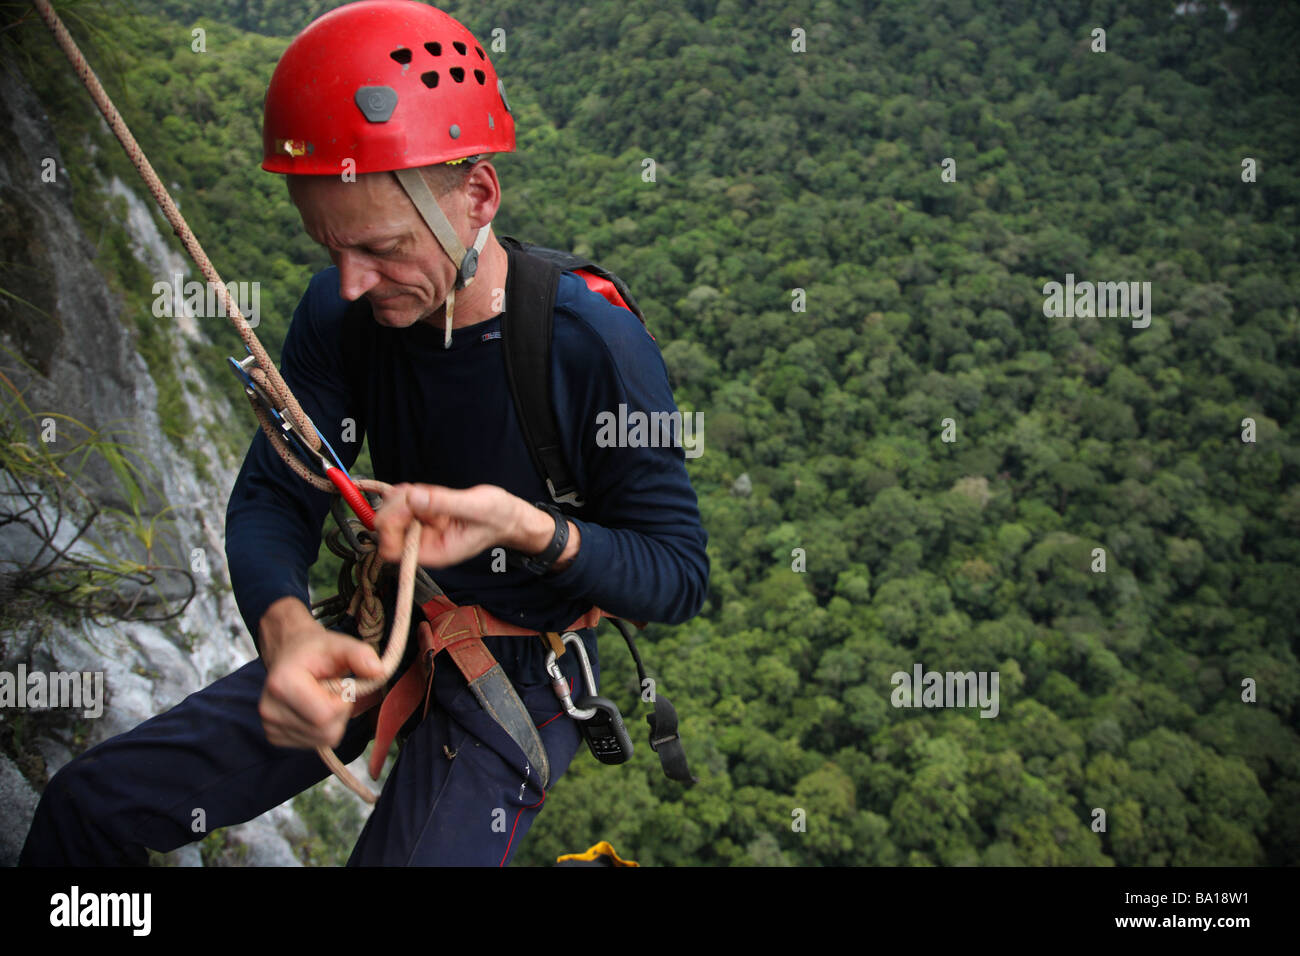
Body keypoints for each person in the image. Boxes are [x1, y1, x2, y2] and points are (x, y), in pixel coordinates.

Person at [19, 0, 707, 867]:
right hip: (381, 624)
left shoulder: (592, 343)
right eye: (330, 248)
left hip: (528, 668)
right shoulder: (341, 316)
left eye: (380, 249)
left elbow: (677, 576)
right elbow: (279, 491)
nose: (350, 281)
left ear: (478, 195)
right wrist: (285, 632)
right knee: (90, 808)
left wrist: (528, 527)